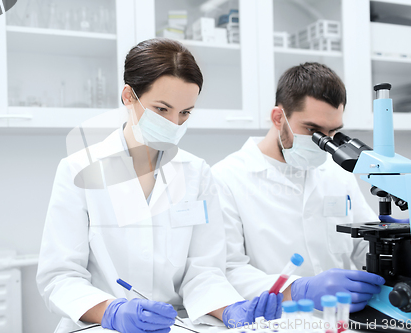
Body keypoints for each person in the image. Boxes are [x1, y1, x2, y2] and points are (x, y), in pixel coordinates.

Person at [36, 38, 282, 333]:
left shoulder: (196, 173)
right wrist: (112, 311)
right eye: (162, 109)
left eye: (185, 112)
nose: (174, 123)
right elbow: (60, 277)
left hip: (176, 325)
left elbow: (203, 270)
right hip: (100, 327)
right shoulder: (78, 170)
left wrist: (230, 308)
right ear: (128, 96)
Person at [212, 62, 385, 312]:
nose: (323, 143)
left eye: (333, 132)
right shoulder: (226, 178)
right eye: (313, 130)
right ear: (278, 118)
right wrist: (299, 289)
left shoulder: (337, 171)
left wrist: (393, 241)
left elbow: (362, 245)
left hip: (343, 320)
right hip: (280, 321)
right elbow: (229, 270)